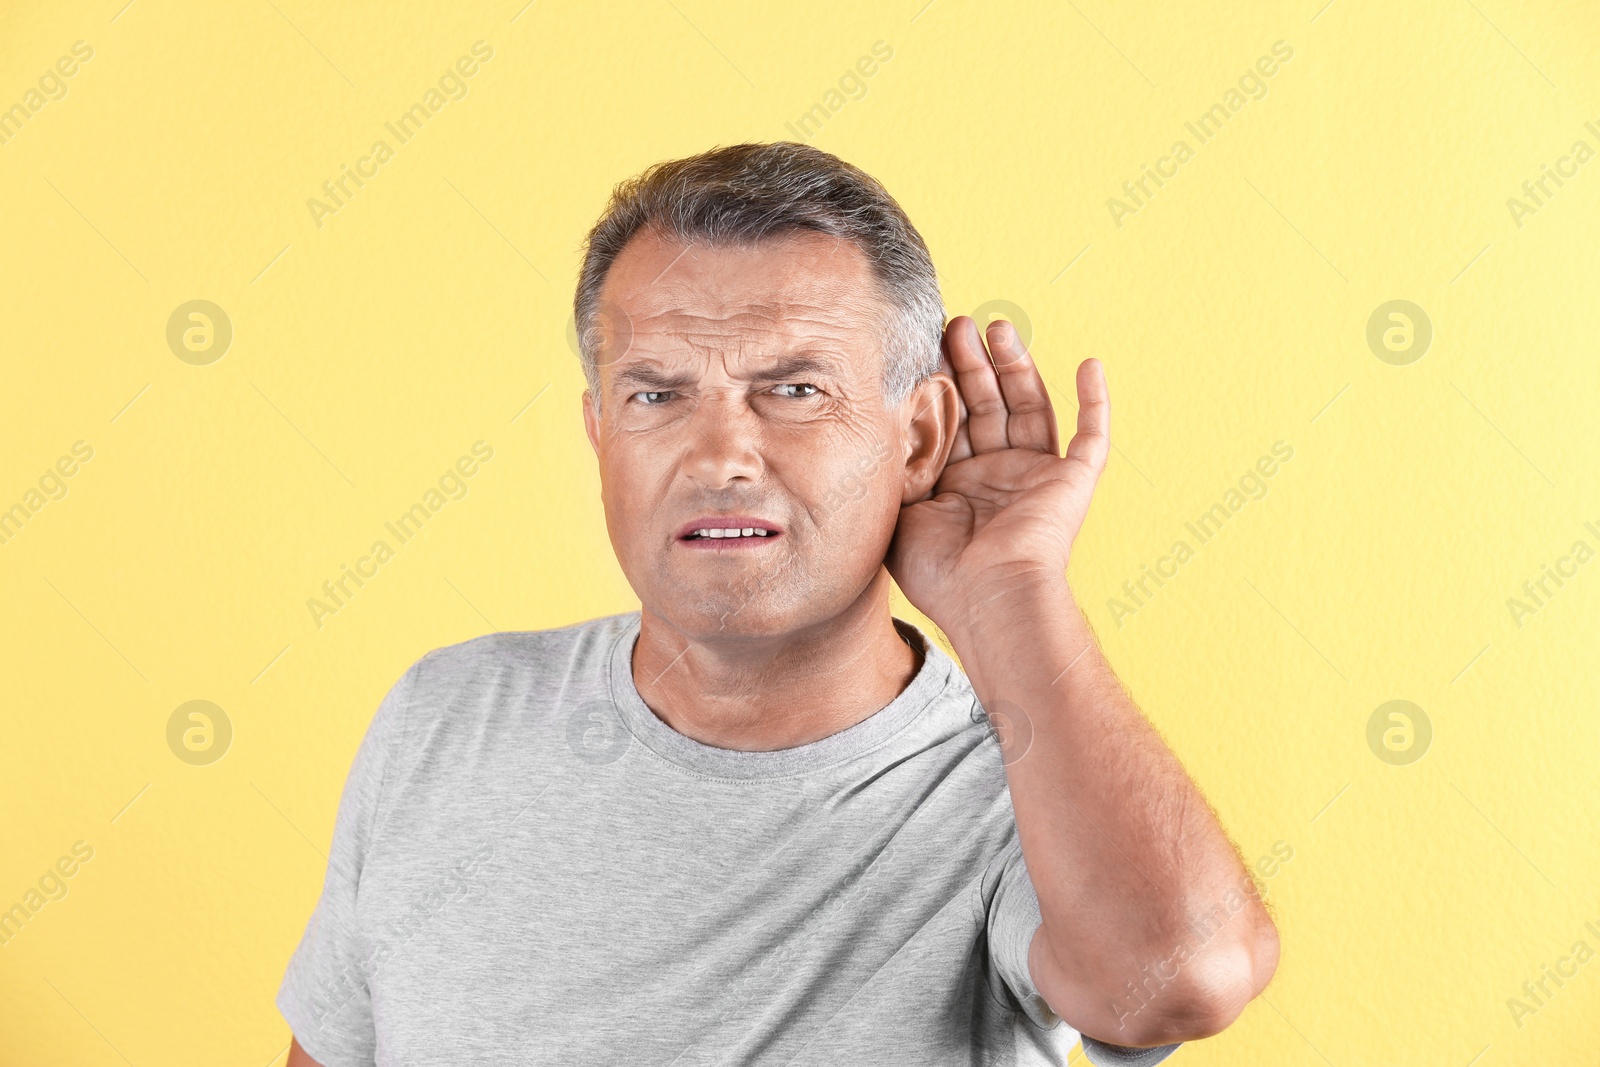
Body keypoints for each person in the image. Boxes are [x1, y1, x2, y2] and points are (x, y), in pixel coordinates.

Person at [278, 141, 1279, 1066]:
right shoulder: (446, 714)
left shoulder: (1020, 787)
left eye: (794, 389)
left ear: (918, 437)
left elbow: (1182, 977)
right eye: (655, 395)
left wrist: (1008, 595)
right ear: (599, 435)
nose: (717, 455)